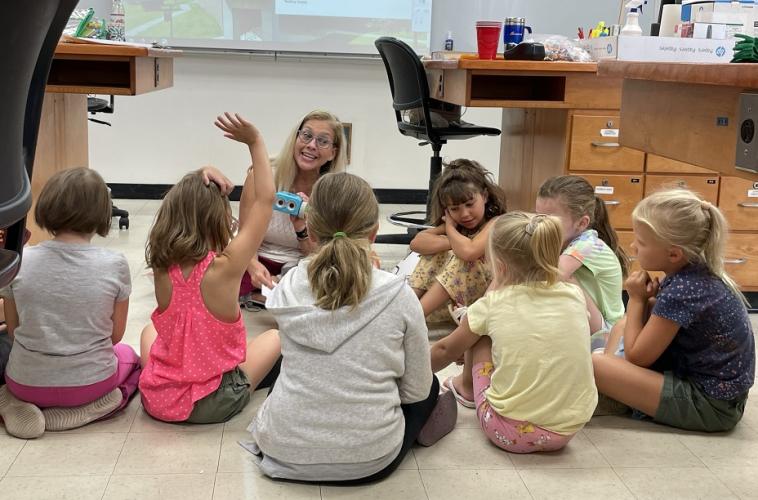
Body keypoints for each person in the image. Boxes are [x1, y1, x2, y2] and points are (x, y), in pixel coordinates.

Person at [247, 172, 456, 483]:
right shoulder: (398, 294)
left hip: (281, 450)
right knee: (430, 389)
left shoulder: (289, 284)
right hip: (368, 460)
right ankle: (425, 428)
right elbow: (414, 390)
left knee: (292, 372)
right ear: (374, 233)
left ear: (312, 233)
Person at [139, 113, 281, 424]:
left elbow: (189, 203)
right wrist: (255, 141)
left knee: (150, 330)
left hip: (159, 399)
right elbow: (265, 201)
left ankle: (172, 383)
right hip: (213, 402)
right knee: (274, 337)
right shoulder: (226, 268)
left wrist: (198, 175)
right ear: (218, 218)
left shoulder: (163, 266)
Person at [431, 212, 597, 452]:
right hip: (568, 428)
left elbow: (445, 350)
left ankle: (466, 388)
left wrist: (411, 375)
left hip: (508, 432)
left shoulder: (493, 304)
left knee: (480, 331)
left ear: (499, 266)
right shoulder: (573, 294)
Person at [592, 189, 755, 432]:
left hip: (711, 407)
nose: (633, 246)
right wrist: (644, 304)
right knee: (623, 325)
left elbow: (638, 356)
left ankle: (615, 392)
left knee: (596, 365)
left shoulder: (684, 290)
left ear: (673, 253)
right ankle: (617, 385)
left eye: (642, 242)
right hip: (723, 399)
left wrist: (636, 299)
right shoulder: (693, 273)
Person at [0, 168, 140, 439]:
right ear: (102, 213)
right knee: (132, 359)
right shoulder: (115, 264)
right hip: (92, 384)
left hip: (25, 383)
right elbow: (115, 335)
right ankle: (97, 407)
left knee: (14, 362)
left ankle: (11, 402)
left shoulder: (21, 261)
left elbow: (15, 331)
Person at [203, 110, 348, 303]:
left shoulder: (332, 191)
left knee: (332, 282)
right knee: (213, 281)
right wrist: (253, 266)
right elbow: (245, 233)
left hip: (299, 265)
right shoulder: (262, 175)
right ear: (296, 138)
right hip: (255, 257)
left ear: (333, 153)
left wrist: (301, 228)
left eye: (323, 141)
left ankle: (264, 296)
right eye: (306, 135)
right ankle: (270, 296)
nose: (312, 145)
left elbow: (317, 255)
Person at [409, 159, 507, 323]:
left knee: (463, 259)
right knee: (435, 251)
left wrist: (450, 229)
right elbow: (417, 243)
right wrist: (453, 241)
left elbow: (469, 252)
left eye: (470, 204)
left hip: (485, 297)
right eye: (454, 209)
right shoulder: (458, 228)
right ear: (446, 209)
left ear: (484, 196)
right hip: (454, 298)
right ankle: (405, 306)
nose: (464, 214)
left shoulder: (497, 222)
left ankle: (412, 318)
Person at [535, 175, 627, 350]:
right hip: (584, 325)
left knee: (562, 278)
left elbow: (556, 273)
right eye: (538, 217)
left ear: (582, 223)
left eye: (549, 220)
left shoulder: (589, 243)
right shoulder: (562, 240)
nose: (540, 225)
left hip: (608, 334)